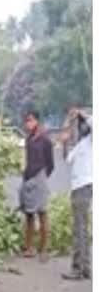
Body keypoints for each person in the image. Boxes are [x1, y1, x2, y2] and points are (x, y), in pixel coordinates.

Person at [19, 110, 54, 262]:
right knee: (28, 213)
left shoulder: (45, 139)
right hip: (28, 177)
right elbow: (27, 159)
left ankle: (44, 249)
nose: (28, 123)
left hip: (39, 177)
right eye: (27, 120)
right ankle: (29, 247)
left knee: (42, 212)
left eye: (31, 120)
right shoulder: (28, 139)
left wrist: (42, 177)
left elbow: (51, 164)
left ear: (37, 121)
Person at [62, 107, 92, 280]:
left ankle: (78, 269)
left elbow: (93, 123)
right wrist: (65, 141)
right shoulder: (82, 143)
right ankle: (85, 268)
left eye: (81, 124)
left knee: (79, 229)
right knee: (81, 228)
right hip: (78, 187)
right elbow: (67, 159)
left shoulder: (92, 141)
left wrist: (80, 113)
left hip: (84, 186)